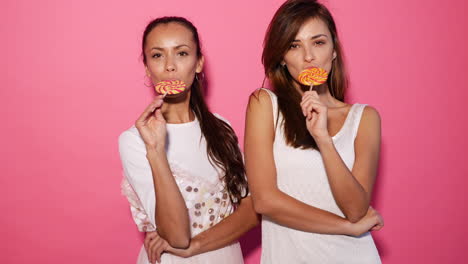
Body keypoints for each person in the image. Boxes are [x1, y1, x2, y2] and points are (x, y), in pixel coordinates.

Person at [244, 0, 384, 263]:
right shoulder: (265, 105)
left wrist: (323, 139)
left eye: (318, 42)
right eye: (294, 46)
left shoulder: (364, 118)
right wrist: (345, 227)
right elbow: (264, 200)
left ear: (333, 50)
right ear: (282, 58)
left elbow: (356, 209)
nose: (308, 56)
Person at [119, 16, 258, 264]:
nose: (170, 66)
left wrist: (197, 246)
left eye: (181, 53)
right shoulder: (134, 140)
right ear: (147, 68)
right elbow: (177, 237)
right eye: (158, 56)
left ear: (198, 63)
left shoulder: (221, 128)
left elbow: (251, 210)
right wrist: (156, 150)